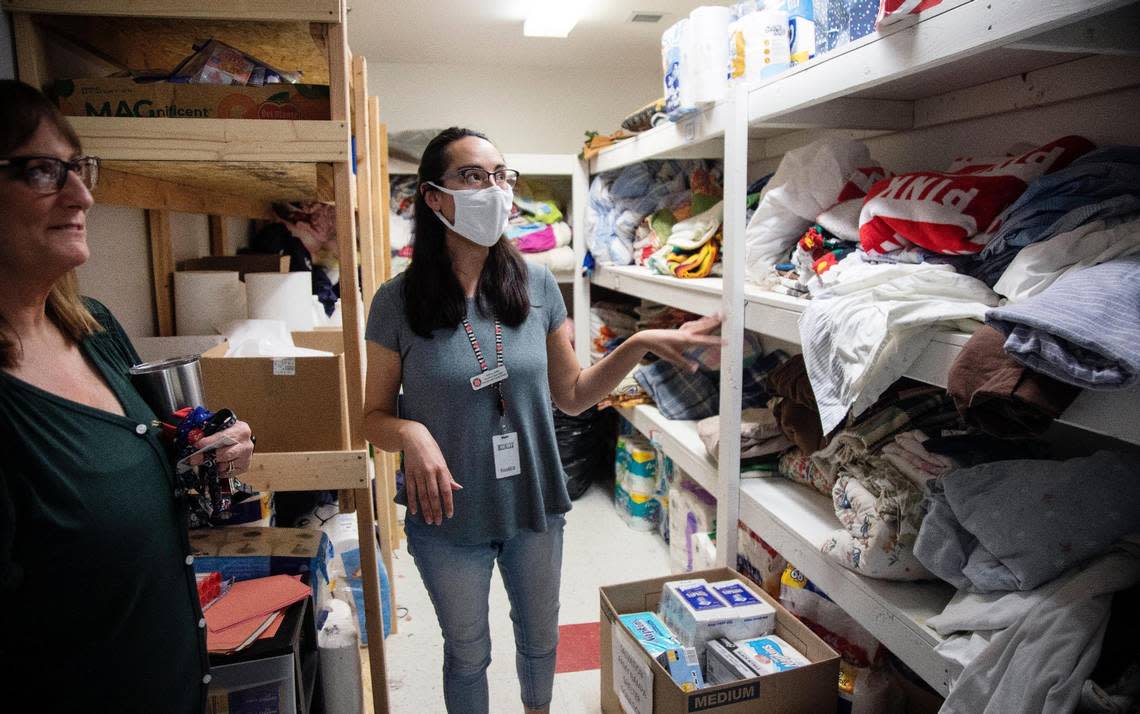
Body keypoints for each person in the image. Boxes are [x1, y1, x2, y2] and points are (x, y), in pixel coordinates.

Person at [363, 127, 721, 713]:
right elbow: (371, 417)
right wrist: (411, 432)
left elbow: (575, 395)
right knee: (467, 650)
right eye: (473, 177)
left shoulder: (534, 285)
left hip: (533, 501)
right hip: (448, 513)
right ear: (433, 196)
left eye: (501, 176)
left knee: (540, 640)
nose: (494, 190)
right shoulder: (396, 301)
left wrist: (639, 343)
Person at [0, 80, 255, 712]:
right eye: (40, 171)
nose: (82, 195)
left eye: (79, 168)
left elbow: (135, 481)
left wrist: (207, 453)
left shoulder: (92, 327)